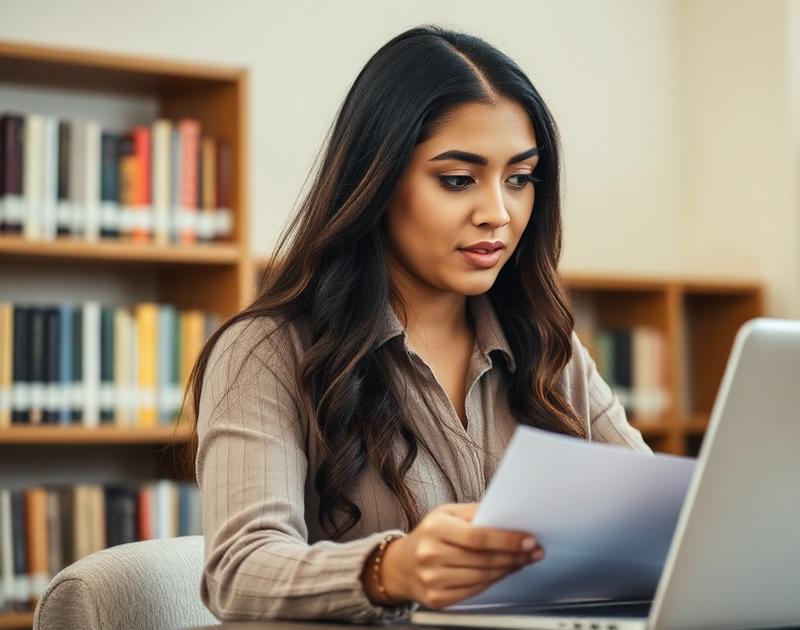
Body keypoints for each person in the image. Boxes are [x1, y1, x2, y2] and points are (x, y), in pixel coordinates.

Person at [188, 25, 650, 623]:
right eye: (458, 180)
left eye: (520, 179)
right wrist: (393, 568)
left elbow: (657, 520)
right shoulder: (267, 350)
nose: (498, 214)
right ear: (375, 182)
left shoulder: (546, 345)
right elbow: (239, 571)